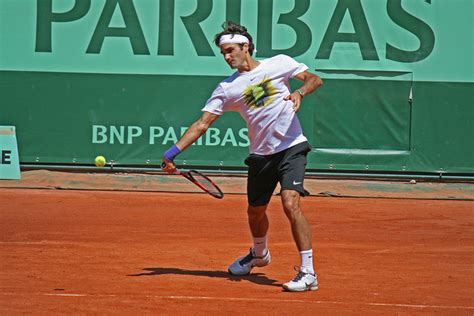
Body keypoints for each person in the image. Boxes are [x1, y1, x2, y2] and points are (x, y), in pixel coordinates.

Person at [162, 21, 323, 292]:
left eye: (230, 50)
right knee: (255, 212)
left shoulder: (279, 63)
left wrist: (299, 92)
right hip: (261, 156)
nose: (227, 57)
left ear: (245, 47)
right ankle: (259, 255)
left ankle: (308, 273)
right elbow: (202, 124)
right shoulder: (227, 89)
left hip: (293, 147)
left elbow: (314, 79)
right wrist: (171, 153)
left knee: (290, 202)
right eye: (223, 53)